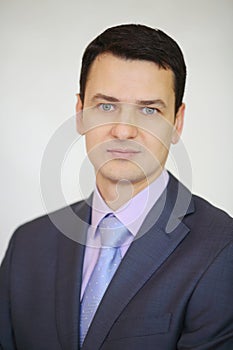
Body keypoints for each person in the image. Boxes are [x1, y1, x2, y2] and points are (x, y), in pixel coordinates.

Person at [0, 24, 232, 350]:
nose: (124, 131)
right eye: (106, 106)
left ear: (177, 122)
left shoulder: (222, 248)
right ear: (80, 114)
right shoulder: (27, 246)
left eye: (149, 110)